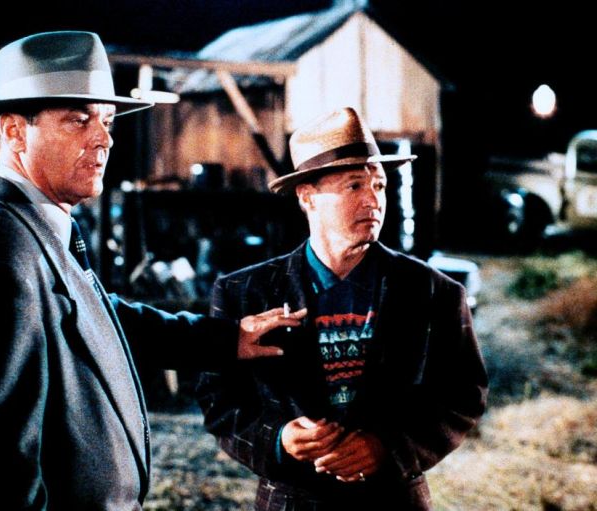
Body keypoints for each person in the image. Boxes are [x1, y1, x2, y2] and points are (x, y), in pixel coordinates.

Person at [0, 31, 305, 511]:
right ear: (16, 131)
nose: (104, 138)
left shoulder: (35, 227)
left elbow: (95, 317)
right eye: (78, 120)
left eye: (106, 121)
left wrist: (224, 340)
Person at [196, 106, 488, 510]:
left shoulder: (433, 292)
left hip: (393, 501)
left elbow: (464, 393)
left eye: (379, 185)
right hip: (291, 501)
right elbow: (218, 399)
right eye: (354, 186)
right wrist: (278, 439)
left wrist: (389, 447)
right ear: (307, 197)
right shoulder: (245, 293)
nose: (373, 200)